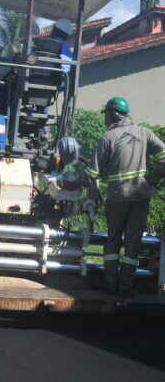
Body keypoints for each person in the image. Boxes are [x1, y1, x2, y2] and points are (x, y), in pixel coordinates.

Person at [86, 97, 165, 297]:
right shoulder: (144, 133)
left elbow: (93, 174)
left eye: (106, 114)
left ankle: (111, 285)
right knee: (133, 243)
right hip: (140, 197)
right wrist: (152, 178)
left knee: (112, 242)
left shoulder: (108, 138)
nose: (104, 118)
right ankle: (126, 288)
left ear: (114, 113)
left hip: (117, 198)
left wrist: (92, 198)